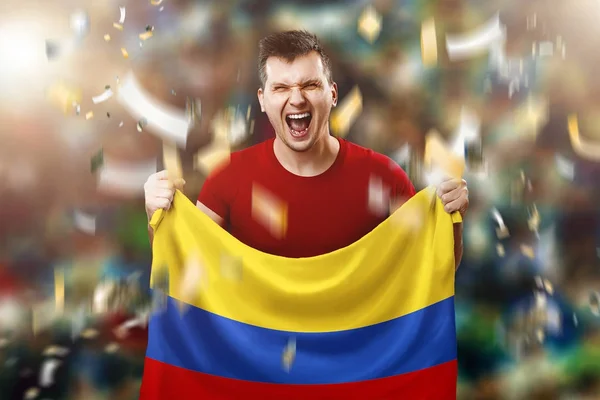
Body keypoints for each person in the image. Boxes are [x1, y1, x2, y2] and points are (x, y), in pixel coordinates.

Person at [144, 30, 468, 264]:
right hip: (259, 357)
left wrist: (452, 222)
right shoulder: (228, 180)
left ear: (333, 94)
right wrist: (155, 215)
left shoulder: (383, 176)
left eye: (310, 85)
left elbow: (429, 270)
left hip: (352, 354)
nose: (296, 98)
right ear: (262, 100)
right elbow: (183, 269)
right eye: (281, 87)